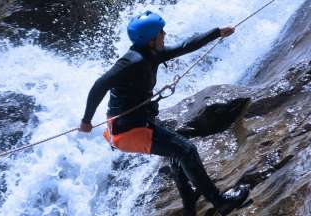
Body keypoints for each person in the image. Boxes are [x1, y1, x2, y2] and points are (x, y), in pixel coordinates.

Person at [79, 10, 249, 216]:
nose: (165, 34)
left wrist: (216, 33)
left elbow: (186, 46)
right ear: (151, 39)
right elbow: (99, 85)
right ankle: (219, 201)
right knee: (186, 150)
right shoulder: (131, 62)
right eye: (161, 32)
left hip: (140, 122)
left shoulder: (151, 53)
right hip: (127, 131)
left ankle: (189, 203)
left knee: (179, 149)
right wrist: (86, 120)